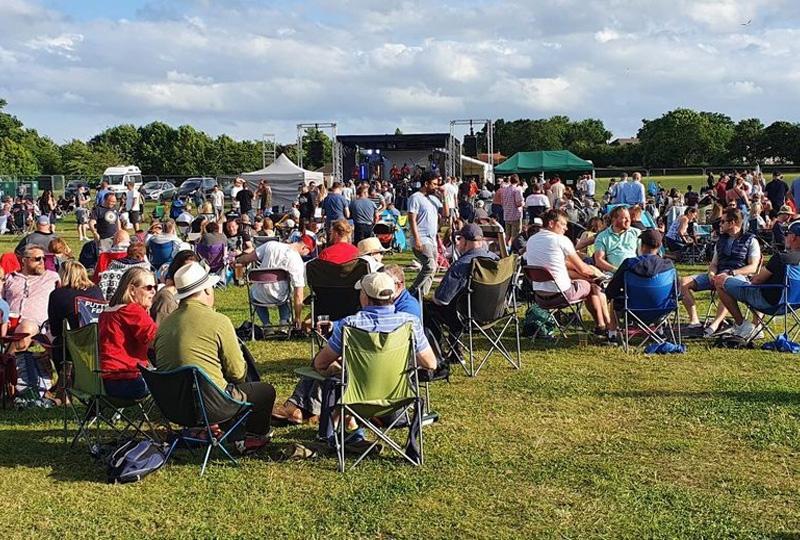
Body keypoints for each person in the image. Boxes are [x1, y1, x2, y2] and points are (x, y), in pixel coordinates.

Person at [154, 262, 276, 452]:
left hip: (174, 407)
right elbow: (237, 373)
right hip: (213, 406)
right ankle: (251, 437)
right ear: (207, 291)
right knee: (265, 391)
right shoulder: (219, 321)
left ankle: (214, 431)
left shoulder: (166, 324)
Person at [525, 209, 611, 337]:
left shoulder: (532, 240)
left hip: (539, 296)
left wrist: (579, 271)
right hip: (561, 295)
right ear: (551, 223)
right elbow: (584, 269)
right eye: (563, 224)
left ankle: (603, 326)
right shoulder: (561, 240)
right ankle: (602, 326)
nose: (566, 228)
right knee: (592, 285)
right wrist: (601, 276)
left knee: (583, 279)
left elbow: (557, 263)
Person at [423, 224, 498, 359]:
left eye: (460, 239)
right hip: (494, 313)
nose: (457, 242)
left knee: (427, 308)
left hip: (466, 316)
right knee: (458, 303)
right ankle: (455, 350)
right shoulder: (495, 260)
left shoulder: (462, 264)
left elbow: (441, 299)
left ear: (465, 241)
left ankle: (438, 354)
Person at [680, 208, 760, 335]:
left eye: (722, 221)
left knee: (722, 282)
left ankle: (724, 323)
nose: (720, 224)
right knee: (683, 282)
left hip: (738, 277)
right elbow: (713, 264)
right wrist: (711, 273)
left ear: (732, 222)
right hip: (718, 274)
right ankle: (694, 322)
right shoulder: (721, 240)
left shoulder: (751, 240)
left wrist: (731, 273)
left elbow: (753, 268)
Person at [717, 220, 800, 339]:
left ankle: (742, 325)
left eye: (787, 234)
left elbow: (756, 281)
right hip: (792, 305)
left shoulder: (781, 257)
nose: (785, 236)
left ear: (794, 238)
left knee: (720, 281)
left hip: (769, 303)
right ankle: (757, 326)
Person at [604, 229, 676, 342]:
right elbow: (677, 292)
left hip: (633, 309)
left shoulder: (629, 264)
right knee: (660, 294)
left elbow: (612, 290)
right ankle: (660, 330)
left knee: (615, 300)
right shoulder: (669, 266)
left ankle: (612, 333)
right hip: (662, 309)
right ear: (660, 246)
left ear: (641, 245)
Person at [98, 267, 157, 400]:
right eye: (148, 287)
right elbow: (156, 338)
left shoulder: (107, 311)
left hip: (102, 381)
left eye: (155, 286)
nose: (153, 291)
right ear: (132, 290)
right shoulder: (132, 310)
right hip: (128, 381)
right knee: (175, 380)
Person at [235, 235, 313, 329]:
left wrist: (237, 260)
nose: (306, 255)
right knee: (287, 292)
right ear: (304, 248)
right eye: (308, 252)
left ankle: (267, 324)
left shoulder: (270, 245)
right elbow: (298, 292)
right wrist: (297, 317)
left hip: (259, 294)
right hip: (280, 297)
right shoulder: (297, 261)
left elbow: (248, 258)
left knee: (253, 293)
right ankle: (283, 323)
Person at [47, 261, 104, 373]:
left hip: (74, 344)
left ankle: (64, 378)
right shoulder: (96, 290)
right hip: (98, 339)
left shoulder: (58, 294)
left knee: (54, 341)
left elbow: (55, 330)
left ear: (64, 275)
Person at [3, 245, 60, 329]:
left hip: (36, 326)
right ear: (24, 260)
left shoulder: (52, 277)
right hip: (8, 323)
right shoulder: (10, 277)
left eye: (43, 259)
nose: (41, 262)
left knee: (27, 326)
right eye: (37, 259)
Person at [407, 173, 441, 296]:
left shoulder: (434, 199)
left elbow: (447, 214)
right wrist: (417, 239)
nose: (437, 187)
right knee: (430, 266)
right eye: (434, 184)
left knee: (433, 269)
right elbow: (411, 219)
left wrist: (445, 196)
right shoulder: (415, 198)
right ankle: (412, 291)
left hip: (432, 239)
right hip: (422, 237)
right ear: (426, 184)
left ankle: (421, 296)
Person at [150, 250, 200, 324]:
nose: (192, 273)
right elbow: (159, 330)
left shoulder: (188, 292)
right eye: (186, 270)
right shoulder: (166, 300)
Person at [593, 206, 642, 272]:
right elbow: (599, 261)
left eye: (629, 217)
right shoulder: (603, 237)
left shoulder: (637, 233)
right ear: (614, 220)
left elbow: (643, 256)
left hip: (635, 273)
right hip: (613, 275)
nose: (628, 220)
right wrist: (617, 271)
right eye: (624, 218)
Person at [499, 175, 524, 241]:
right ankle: (513, 249)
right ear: (518, 181)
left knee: (507, 235)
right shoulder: (517, 190)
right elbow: (518, 203)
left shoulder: (504, 190)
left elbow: (502, 202)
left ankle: (506, 249)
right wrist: (523, 203)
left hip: (507, 215)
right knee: (515, 236)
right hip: (515, 215)